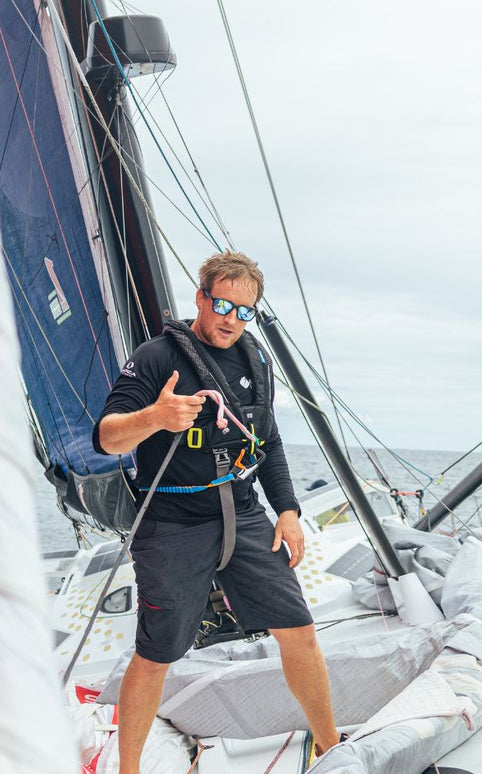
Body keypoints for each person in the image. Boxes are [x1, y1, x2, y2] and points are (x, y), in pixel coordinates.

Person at [96, 252, 339, 772]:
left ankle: (331, 746)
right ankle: (128, 769)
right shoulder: (158, 356)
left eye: (244, 310)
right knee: (157, 652)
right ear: (202, 298)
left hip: (245, 514)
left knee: (299, 629)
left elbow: (267, 442)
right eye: (223, 304)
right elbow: (107, 436)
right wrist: (156, 416)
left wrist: (289, 511)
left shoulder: (255, 360)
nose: (231, 319)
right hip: (174, 524)